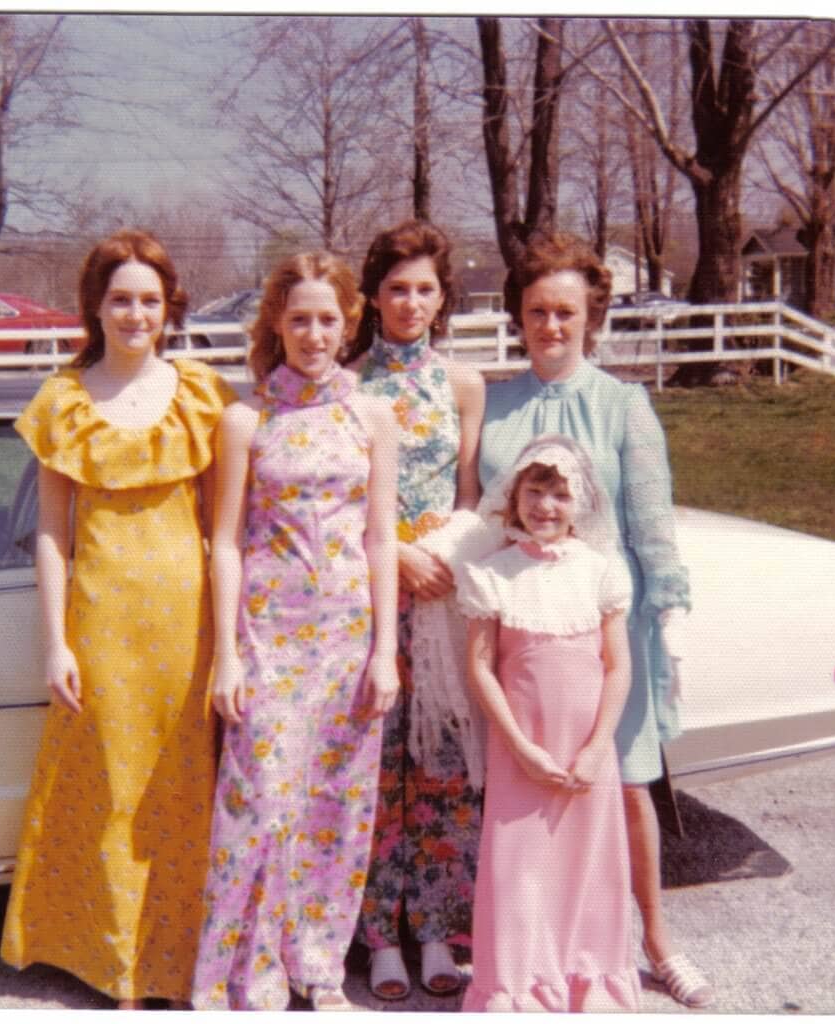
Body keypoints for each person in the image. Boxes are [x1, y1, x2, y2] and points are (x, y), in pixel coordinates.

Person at [0, 229, 237, 1008]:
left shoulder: (202, 394)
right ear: (95, 309)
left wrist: (230, 647)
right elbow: (51, 534)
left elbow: (224, 528)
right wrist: (56, 642)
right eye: (120, 300)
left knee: (181, 788)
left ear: (169, 308)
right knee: (110, 790)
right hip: (101, 623)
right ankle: (117, 968)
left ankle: (178, 963)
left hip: (187, 626)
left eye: (149, 300)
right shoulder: (65, 401)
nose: (136, 314)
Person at [479, 232, 714, 1008]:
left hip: (608, 624)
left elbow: (650, 517)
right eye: (538, 311)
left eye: (566, 313)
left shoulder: (623, 403)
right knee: (528, 794)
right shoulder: (496, 401)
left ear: (591, 318)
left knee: (626, 784)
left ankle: (654, 943)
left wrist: (662, 606)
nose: (551, 325)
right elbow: (477, 515)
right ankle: (541, 953)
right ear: (519, 315)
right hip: (521, 631)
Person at [191, 252, 399, 1011]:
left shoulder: (371, 413)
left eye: (329, 319)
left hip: (348, 639)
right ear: (276, 323)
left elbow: (381, 538)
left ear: (349, 323)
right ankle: (250, 973)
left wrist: (386, 653)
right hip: (268, 637)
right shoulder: (247, 419)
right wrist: (226, 658)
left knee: (337, 806)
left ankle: (317, 964)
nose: (315, 334)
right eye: (300, 318)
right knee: (261, 802)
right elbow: (223, 542)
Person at [345, 220, 485, 1000]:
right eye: (396, 288)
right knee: (373, 764)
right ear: (372, 295)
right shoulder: (351, 381)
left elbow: (468, 490)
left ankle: (436, 929)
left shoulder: (462, 384)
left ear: (442, 298)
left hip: (439, 594)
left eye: (424, 289)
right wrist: (393, 555)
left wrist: (442, 553)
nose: (410, 302)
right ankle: (378, 937)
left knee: (440, 766)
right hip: (368, 595)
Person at [459, 434, 639, 1012]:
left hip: (588, 749)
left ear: (580, 502)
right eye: (535, 491)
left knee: (587, 865)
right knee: (520, 870)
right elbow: (482, 668)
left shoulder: (599, 571)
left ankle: (589, 981)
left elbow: (617, 667)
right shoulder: (494, 574)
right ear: (514, 499)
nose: (546, 506)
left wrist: (595, 748)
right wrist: (518, 746)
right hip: (525, 752)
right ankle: (519, 989)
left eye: (560, 494)